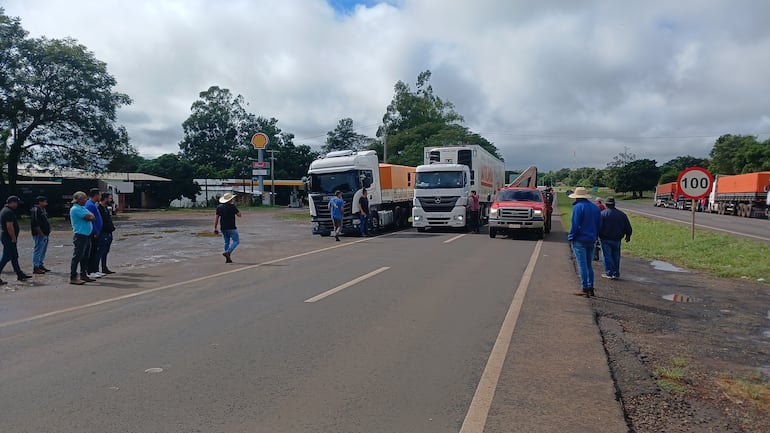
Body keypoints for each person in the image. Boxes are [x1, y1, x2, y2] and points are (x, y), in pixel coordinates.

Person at [567, 187, 602, 298]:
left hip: (580, 239)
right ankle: (591, 287)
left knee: (582, 265)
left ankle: (584, 288)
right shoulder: (595, 208)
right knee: (589, 265)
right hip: (592, 239)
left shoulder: (578, 207)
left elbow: (575, 224)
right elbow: (599, 224)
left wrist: (571, 236)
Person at [599, 196, 633, 280]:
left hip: (605, 238)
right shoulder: (622, 214)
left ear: (606, 204)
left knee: (607, 256)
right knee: (616, 256)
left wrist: (597, 236)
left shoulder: (602, 214)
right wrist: (628, 236)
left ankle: (609, 273)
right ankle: (616, 273)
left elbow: (598, 227)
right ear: (614, 204)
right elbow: (628, 227)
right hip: (617, 239)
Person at [0, 196, 31, 283]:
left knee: (14, 256)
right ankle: (19, 274)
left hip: (6, 237)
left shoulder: (5, 210)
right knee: (6, 257)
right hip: (8, 237)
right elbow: (9, 227)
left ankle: (19, 274)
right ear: (12, 202)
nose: (17, 205)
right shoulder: (8, 212)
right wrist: (13, 238)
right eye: (16, 203)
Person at [70, 191, 96, 285]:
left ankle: (83, 274)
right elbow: (89, 217)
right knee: (77, 256)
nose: (86, 200)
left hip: (87, 235)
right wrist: (91, 216)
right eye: (84, 198)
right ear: (79, 199)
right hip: (80, 235)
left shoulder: (82, 208)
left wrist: (91, 216)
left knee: (85, 257)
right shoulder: (75, 209)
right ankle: (73, 276)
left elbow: (93, 216)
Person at [214, 192, 241, 263]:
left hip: (223, 227)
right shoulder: (232, 207)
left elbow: (216, 218)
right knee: (236, 241)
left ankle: (228, 258)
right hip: (231, 227)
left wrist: (215, 228)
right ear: (230, 199)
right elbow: (239, 215)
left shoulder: (219, 207)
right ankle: (228, 251)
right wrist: (235, 207)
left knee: (226, 242)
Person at [85, 188, 104, 279]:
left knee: (95, 252)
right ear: (96, 195)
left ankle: (94, 270)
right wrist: (95, 231)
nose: (100, 197)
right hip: (93, 232)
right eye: (100, 195)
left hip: (96, 232)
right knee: (92, 252)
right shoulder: (89, 205)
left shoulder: (94, 204)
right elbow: (91, 220)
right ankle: (90, 271)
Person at [30, 195, 52, 274]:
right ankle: (36, 267)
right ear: (40, 202)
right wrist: (40, 233)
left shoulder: (43, 209)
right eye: (45, 202)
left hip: (45, 233)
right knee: (38, 250)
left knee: (43, 250)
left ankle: (40, 264)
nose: (46, 203)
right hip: (39, 234)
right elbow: (35, 223)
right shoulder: (36, 210)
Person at [97, 192, 116, 274]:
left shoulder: (105, 208)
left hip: (108, 232)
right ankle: (96, 269)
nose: (111, 200)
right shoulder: (99, 208)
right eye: (110, 198)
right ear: (105, 199)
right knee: (100, 251)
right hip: (103, 233)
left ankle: (104, 267)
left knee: (105, 251)